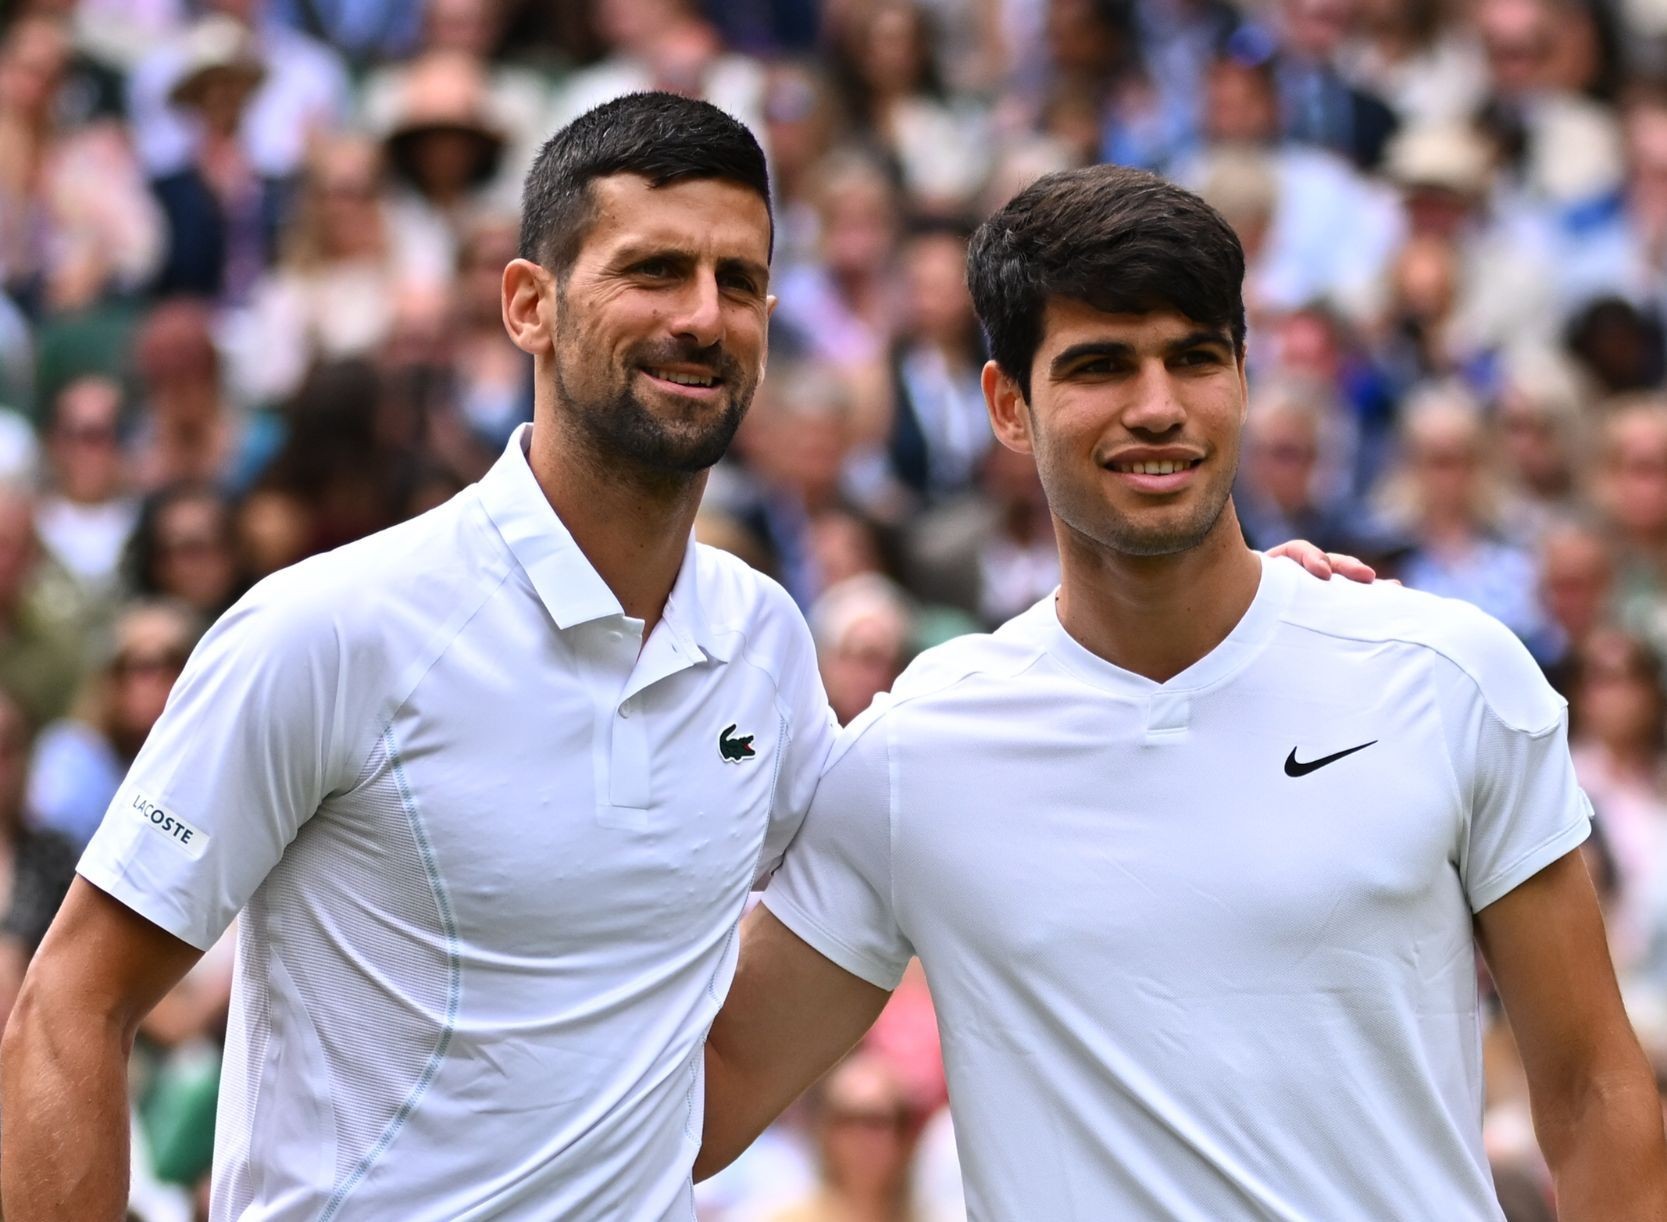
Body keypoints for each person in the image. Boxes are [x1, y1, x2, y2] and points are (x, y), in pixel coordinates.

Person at [698, 165, 1667, 1218]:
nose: (1157, 407)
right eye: (1101, 365)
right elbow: (706, 1098)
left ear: (1242, 375)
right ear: (1008, 407)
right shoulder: (915, 752)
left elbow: (1593, 1092)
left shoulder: (1447, 675)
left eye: (1194, 358)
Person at [0, 91, 835, 1220]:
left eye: (738, 282)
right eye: (653, 270)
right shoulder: (329, 628)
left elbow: (857, 901)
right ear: (528, 305)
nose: (702, 315)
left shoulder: (764, 640)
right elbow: (69, 1006)